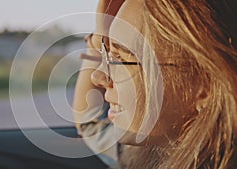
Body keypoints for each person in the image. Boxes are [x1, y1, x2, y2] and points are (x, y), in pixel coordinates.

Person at [73, 0, 237, 169]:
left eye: (120, 58)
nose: (98, 76)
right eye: (107, 53)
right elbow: (90, 126)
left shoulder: (147, 153)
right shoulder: (151, 146)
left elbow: (90, 125)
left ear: (204, 87)